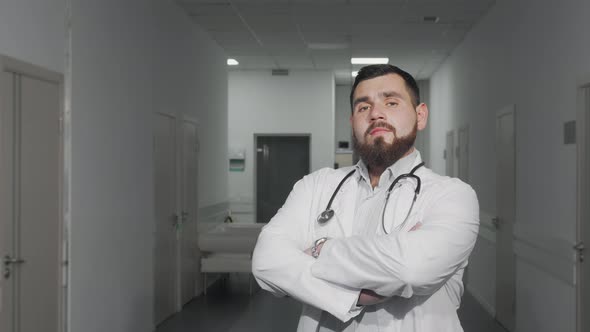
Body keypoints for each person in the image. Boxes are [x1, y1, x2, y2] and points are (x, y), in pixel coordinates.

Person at [252, 64, 479, 331]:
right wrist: (353, 296)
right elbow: (266, 262)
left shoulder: (452, 195)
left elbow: (410, 269)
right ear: (352, 122)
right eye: (363, 107)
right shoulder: (316, 186)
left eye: (391, 102)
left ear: (420, 115)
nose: (376, 114)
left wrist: (319, 249)